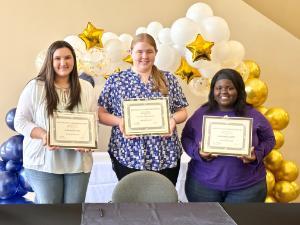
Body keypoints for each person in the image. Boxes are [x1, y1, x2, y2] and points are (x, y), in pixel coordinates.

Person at [98, 33, 188, 185]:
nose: (144, 56)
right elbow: (101, 113)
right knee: (132, 202)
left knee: (164, 201)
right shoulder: (116, 80)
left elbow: (182, 111)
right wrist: (120, 121)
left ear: (155, 53)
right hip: (127, 153)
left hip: (165, 152)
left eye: (149, 51)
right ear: (131, 52)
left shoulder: (169, 79)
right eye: (139, 51)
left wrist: (173, 120)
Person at [14, 40, 96, 203]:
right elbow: (20, 121)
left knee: (73, 212)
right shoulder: (35, 87)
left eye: (68, 58)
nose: (63, 63)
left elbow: (93, 120)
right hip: (43, 161)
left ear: (74, 60)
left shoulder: (86, 87)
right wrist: (44, 135)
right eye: (57, 58)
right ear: (50, 61)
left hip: (78, 163)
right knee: (50, 212)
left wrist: (89, 142)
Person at [181, 68, 275, 202]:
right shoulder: (201, 113)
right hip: (202, 187)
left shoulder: (254, 115)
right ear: (213, 91)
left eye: (230, 88)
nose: (223, 92)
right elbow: (186, 137)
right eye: (218, 88)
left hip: (247, 189)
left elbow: (269, 139)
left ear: (239, 90)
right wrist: (197, 153)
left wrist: (256, 155)